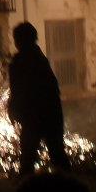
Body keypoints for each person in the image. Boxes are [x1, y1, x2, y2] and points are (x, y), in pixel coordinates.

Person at [7, 22, 70, 176]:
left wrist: (14, 109)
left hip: (34, 116)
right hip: (51, 115)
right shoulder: (40, 59)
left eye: (17, 38)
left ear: (20, 40)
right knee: (57, 153)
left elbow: (18, 91)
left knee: (28, 157)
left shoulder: (19, 62)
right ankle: (69, 187)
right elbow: (53, 88)